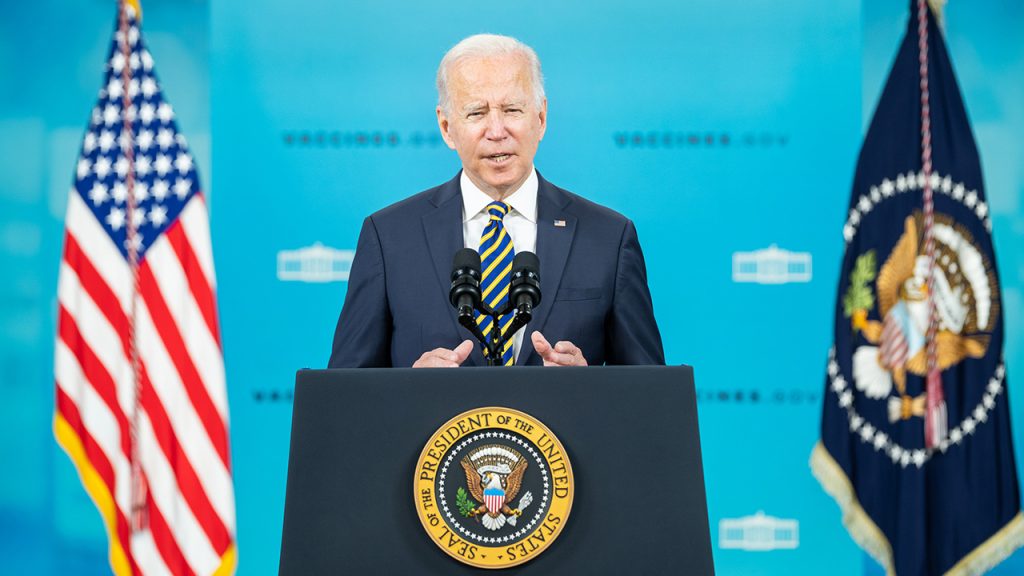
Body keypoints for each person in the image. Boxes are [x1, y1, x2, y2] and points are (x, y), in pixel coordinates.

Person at [328, 34, 663, 368]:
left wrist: (588, 387)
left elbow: (651, 400)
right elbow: (342, 401)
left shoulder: (608, 237)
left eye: (512, 109)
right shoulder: (389, 237)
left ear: (541, 117)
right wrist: (410, 394)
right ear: (446, 127)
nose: (497, 130)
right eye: (476, 113)